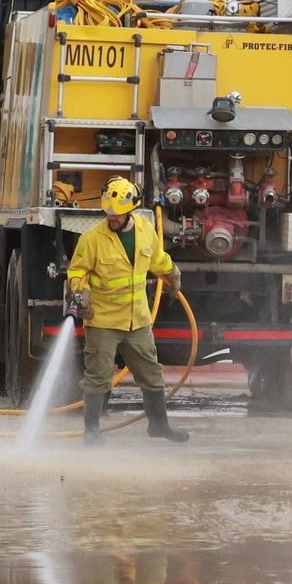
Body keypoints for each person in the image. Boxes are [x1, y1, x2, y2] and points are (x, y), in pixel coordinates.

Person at [65, 176, 187, 444]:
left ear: (130, 210)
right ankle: (92, 432)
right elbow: (78, 272)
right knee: (98, 377)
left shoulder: (145, 230)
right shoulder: (92, 239)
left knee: (152, 375)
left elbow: (157, 259)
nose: (112, 219)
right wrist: (79, 293)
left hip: (138, 321)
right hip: (103, 321)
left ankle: (159, 426)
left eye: (117, 215)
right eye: (108, 214)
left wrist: (172, 275)